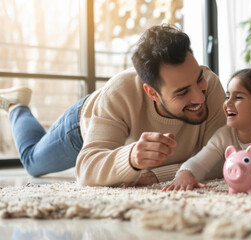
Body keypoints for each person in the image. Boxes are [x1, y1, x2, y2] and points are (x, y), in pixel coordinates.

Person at [0, 24, 227, 187]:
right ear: (152, 93)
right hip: (85, 125)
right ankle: (17, 106)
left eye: (198, 79)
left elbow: (221, 157)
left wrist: (157, 174)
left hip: (114, 119)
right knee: (31, 162)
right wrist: (131, 159)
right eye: (182, 92)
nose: (199, 97)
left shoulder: (212, 86)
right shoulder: (119, 93)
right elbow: (87, 170)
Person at [162, 68, 251, 191]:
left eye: (238, 97)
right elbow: (200, 161)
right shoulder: (224, 134)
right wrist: (185, 173)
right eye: (227, 96)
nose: (227, 103)